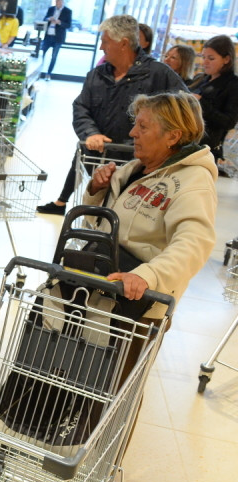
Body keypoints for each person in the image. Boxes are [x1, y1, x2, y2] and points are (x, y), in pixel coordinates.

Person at [83, 91, 216, 321]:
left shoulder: (195, 182)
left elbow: (194, 244)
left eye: (143, 127)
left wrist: (149, 275)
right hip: (101, 284)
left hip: (138, 305)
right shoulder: (135, 169)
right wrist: (96, 188)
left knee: (116, 357)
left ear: (173, 137)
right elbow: (100, 219)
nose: (132, 133)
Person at [36, 15, 186, 216]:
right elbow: (81, 107)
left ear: (123, 43)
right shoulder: (97, 75)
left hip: (140, 166)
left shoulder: (159, 74)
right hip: (97, 161)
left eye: (105, 42)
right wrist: (90, 133)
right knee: (99, 215)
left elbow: (185, 110)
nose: (101, 47)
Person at [188, 35, 238, 165]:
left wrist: (201, 103)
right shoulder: (201, 79)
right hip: (186, 143)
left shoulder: (233, 84)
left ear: (226, 59)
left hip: (206, 150)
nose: (205, 62)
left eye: (211, 58)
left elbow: (229, 122)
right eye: (203, 57)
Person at [39, 0, 71, 80]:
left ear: (63, 2)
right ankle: (38, 72)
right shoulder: (51, 9)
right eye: (56, 1)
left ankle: (48, 74)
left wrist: (59, 22)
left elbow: (68, 25)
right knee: (41, 54)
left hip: (58, 38)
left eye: (59, 2)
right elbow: (44, 19)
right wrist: (49, 19)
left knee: (53, 57)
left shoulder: (67, 11)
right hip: (48, 36)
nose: (58, 3)